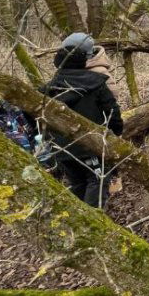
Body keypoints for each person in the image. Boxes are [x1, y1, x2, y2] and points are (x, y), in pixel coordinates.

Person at [41, 32, 124, 209]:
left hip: (61, 149)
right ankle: (92, 226)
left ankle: (82, 222)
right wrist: (115, 133)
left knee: (78, 183)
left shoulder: (47, 90)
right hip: (91, 145)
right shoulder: (97, 83)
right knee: (97, 181)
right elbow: (113, 112)